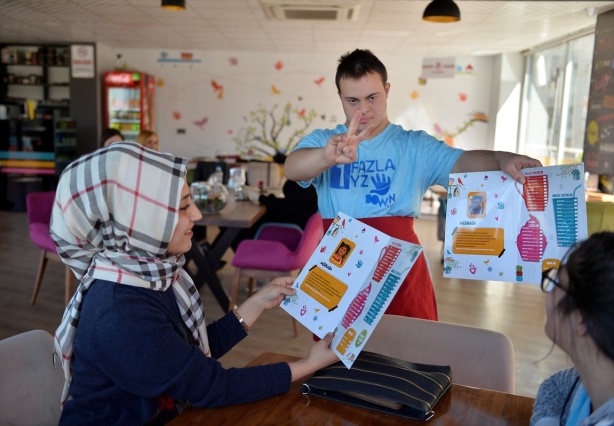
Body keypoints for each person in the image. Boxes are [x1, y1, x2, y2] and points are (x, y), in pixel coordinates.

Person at [50, 142, 338, 425]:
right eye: (184, 206)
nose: (197, 215)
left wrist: (257, 303)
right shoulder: (119, 310)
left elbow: (185, 355)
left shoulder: (150, 275)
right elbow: (211, 386)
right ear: (142, 223)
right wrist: (309, 364)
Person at [284, 48, 542, 321]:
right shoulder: (325, 141)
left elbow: (462, 162)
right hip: (338, 266)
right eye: (352, 100)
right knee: (335, 347)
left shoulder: (414, 146)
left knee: (410, 344)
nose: (364, 109)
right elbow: (292, 168)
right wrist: (326, 156)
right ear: (339, 96)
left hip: (400, 268)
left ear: (387, 90)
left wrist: (500, 158)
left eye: (372, 97)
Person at [531, 232, 614, 426]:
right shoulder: (585, 380)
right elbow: (554, 386)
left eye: (556, 284)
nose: (548, 295)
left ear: (581, 319)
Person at [229, 153, 318, 252]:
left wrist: (260, 197)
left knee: (234, 228)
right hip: (290, 222)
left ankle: (242, 255)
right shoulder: (309, 179)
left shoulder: (307, 184)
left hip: (287, 229)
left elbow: (284, 208)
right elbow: (290, 203)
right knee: (232, 228)